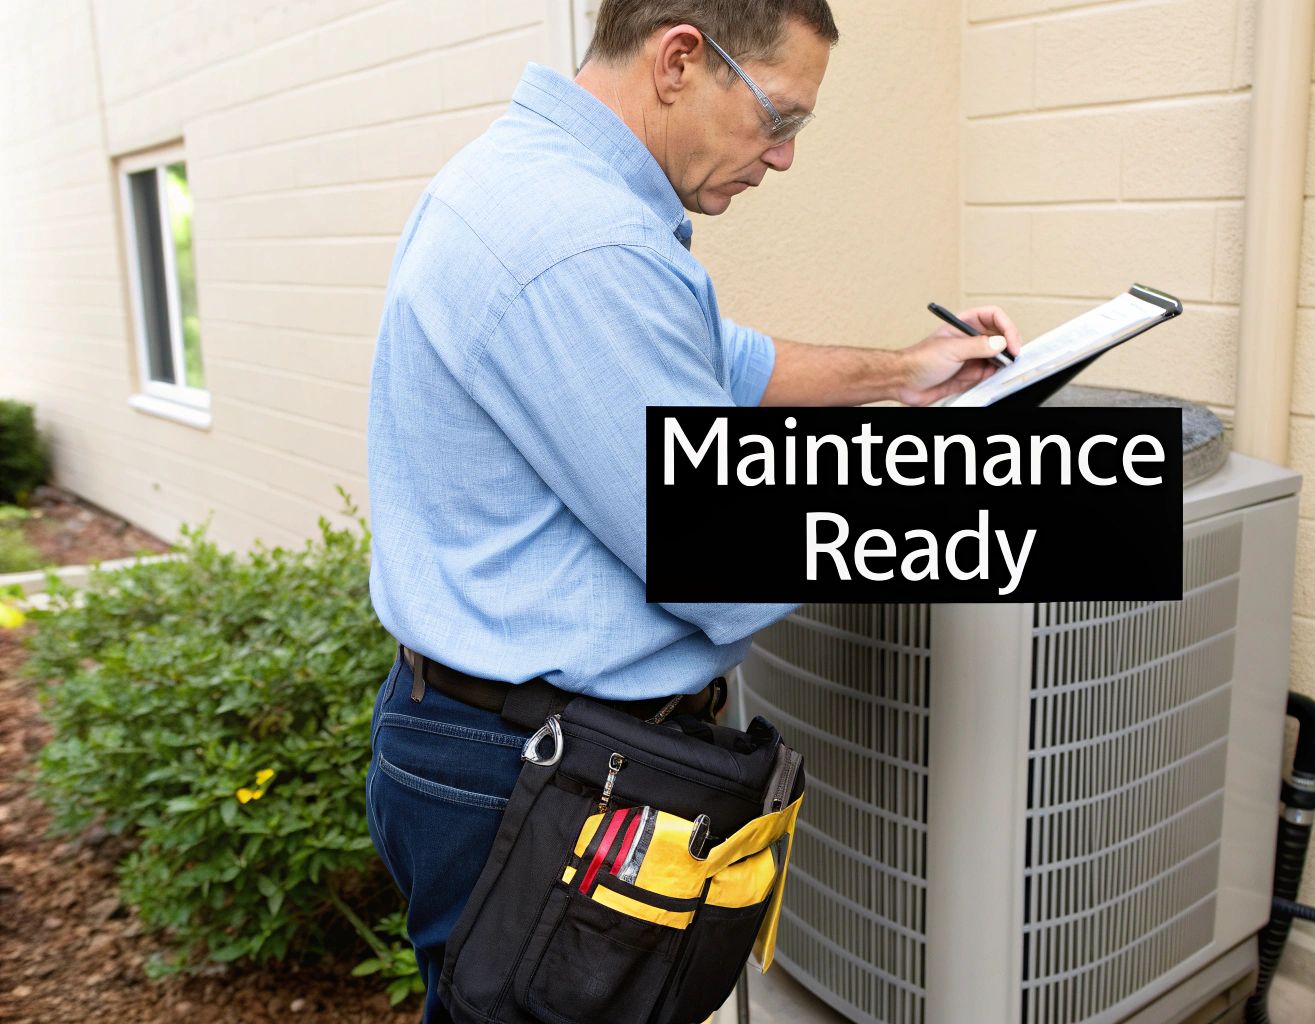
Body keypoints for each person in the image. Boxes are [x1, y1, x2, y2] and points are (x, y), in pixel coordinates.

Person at [362, 1, 1021, 1019]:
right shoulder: (575, 243)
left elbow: (723, 363)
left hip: (518, 741)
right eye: (779, 119)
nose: (783, 157)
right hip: (535, 773)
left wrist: (903, 373)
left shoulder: (558, 192)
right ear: (680, 60)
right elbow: (725, 544)